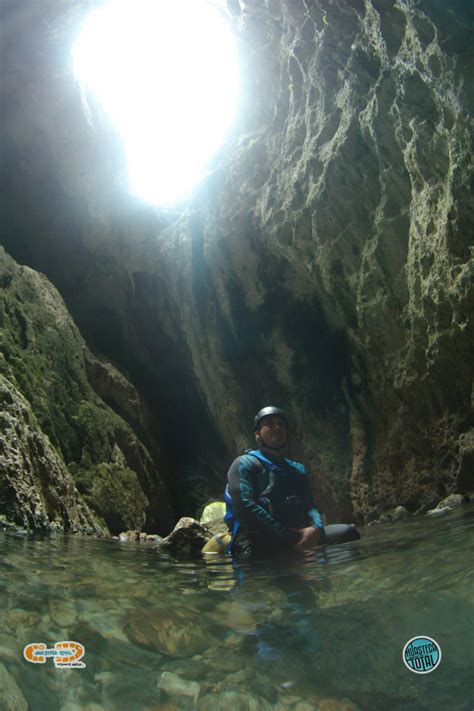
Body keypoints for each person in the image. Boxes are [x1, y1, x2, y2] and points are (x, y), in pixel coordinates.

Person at [224, 406, 360, 558]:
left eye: (281, 424)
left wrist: (315, 529)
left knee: (349, 533)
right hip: (259, 538)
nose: (276, 427)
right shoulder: (244, 464)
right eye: (269, 423)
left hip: (298, 533)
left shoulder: (297, 469)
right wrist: (291, 537)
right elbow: (245, 507)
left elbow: (309, 506)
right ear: (257, 433)